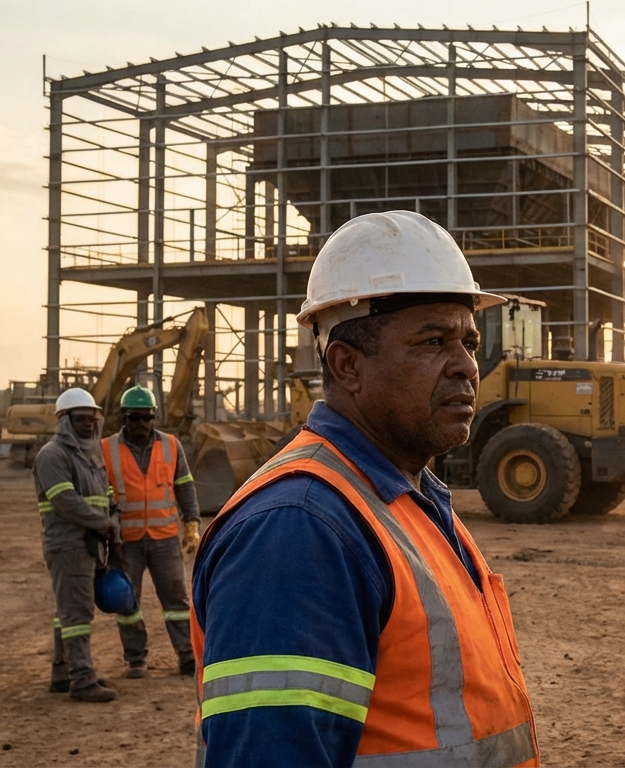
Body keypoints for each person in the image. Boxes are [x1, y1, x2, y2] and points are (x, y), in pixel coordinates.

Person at [191, 211, 538, 766]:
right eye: (433, 341)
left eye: (469, 342)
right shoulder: (299, 530)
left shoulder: (404, 500)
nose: (467, 367)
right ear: (347, 365)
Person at [101, 384, 200, 679]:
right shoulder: (106, 449)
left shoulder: (171, 445)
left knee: (177, 602)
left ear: (154, 416)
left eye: (147, 417)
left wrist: (192, 522)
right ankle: (135, 659)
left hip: (165, 538)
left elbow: (185, 485)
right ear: (123, 418)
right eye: (135, 418)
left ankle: (187, 657)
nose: (141, 424)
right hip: (125, 540)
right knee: (127, 601)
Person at [33, 388, 119, 702]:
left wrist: (113, 520)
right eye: (80, 419)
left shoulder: (89, 456)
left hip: (88, 545)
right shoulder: (53, 455)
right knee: (77, 613)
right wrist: (104, 524)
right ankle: (82, 680)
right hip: (68, 545)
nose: (88, 424)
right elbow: (64, 500)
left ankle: (62, 673)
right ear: (65, 421)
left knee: (66, 610)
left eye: (92, 418)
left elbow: (106, 496)